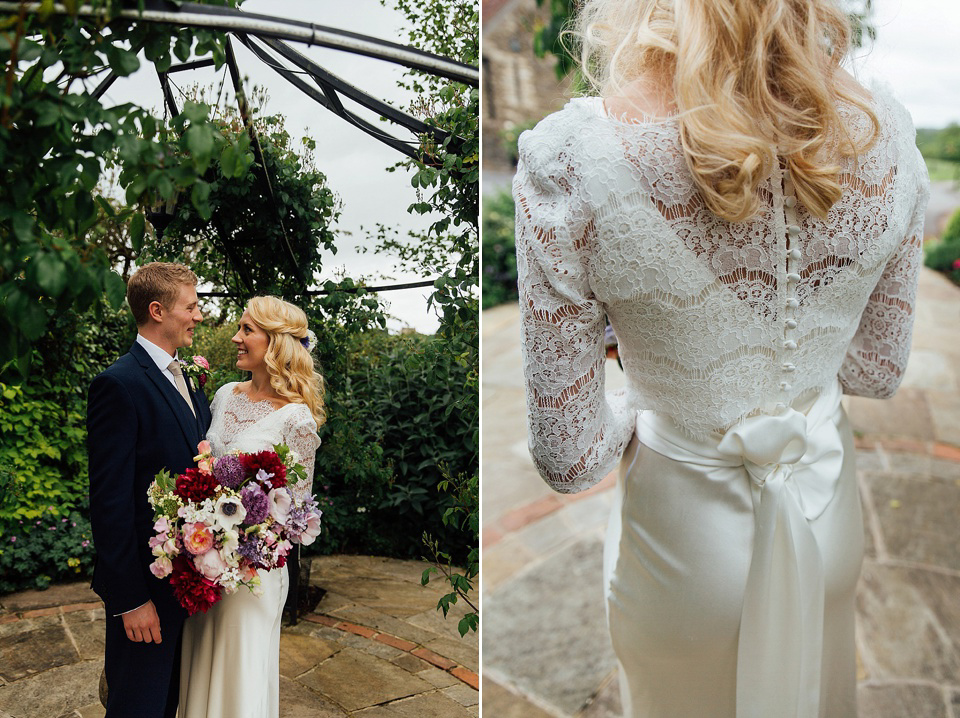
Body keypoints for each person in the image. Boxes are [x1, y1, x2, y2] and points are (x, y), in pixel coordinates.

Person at [514, 0, 930, 715]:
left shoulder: (574, 161)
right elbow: (875, 370)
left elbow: (571, 456)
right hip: (826, 520)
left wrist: (647, 385)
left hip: (683, 552)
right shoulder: (887, 134)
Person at [178, 295, 323, 718]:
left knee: (239, 674)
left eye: (247, 330)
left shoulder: (297, 419)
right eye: (240, 328)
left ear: (276, 343)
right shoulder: (224, 395)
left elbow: (297, 513)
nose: (237, 338)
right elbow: (202, 467)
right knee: (200, 663)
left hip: (251, 574)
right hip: (204, 564)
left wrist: (242, 542)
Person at [87, 262, 212, 718]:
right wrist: (130, 600)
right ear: (158, 310)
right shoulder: (118, 384)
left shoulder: (192, 380)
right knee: (136, 706)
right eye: (191, 307)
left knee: (169, 704)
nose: (198, 316)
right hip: (145, 591)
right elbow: (110, 502)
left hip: (186, 586)